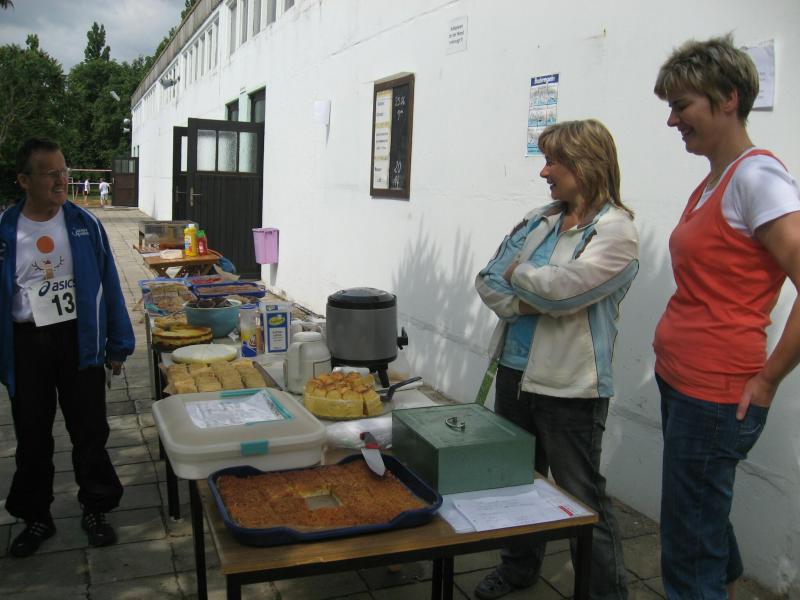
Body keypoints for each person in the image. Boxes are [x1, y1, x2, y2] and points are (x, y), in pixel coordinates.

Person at [652, 35, 800, 599]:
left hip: (714, 396)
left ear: (728, 98)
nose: (672, 120)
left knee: (687, 545)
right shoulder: (716, 178)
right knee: (700, 517)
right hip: (682, 382)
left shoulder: (757, 178)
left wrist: (768, 380)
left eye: (681, 105)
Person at [474, 119, 638, 600]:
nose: (544, 172)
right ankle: (518, 569)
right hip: (514, 371)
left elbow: (565, 293)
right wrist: (532, 297)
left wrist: (522, 277)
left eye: (553, 162)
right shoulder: (539, 219)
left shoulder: (617, 233)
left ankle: (604, 593)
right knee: (516, 480)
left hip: (569, 385)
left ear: (584, 164)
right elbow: (488, 279)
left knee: (581, 497)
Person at [0, 139, 135, 557]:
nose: (61, 180)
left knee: (90, 430)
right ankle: (36, 517)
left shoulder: (84, 223)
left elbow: (109, 283)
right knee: (32, 436)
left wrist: (118, 344)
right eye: (50, 173)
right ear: (24, 180)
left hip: (80, 339)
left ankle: (96, 508)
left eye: (64, 171)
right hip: (27, 343)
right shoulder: (6, 229)